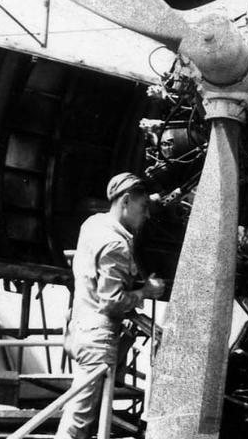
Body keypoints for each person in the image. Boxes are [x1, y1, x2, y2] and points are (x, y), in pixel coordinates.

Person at [55, 172, 165, 439]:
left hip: (78, 329)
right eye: (143, 207)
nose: (147, 216)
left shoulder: (92, 224)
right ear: (125, 200)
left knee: (84, 417)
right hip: (98, 339)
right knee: (77, 422)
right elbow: (112, 301)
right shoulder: (116, 244)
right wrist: (145, 291)